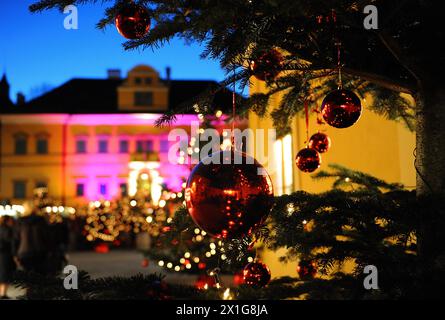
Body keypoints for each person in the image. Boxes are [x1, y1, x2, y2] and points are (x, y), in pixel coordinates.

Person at [13, 202, 50, 274]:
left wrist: (15, 254)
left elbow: (16, 239)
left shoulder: (20, 221)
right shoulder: (41, 220)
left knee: (27, 278)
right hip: (40, 252)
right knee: (40, 277)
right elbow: (47, 236)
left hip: (24, 253)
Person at [0, 215, 16, 299]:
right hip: (5, 254)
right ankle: (3, 293)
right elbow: (11, 242)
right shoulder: (7, 230)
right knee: (4, 274)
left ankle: (3, 293)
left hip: (2, 253)